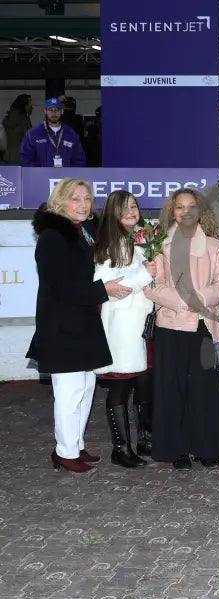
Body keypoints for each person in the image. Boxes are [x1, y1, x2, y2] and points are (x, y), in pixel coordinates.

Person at [28, 179, 126, 473]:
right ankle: (65, 452)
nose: (83, 204)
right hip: (62, 328)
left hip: (83, 324)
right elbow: (62, 287)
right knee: (70, 393)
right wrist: (103, 290)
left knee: (85, 388)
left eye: (87, 199)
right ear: (60, 202)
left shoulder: (83, 231)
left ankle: (76, 445)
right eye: (75, 199)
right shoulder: (52, 237)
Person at [145, 188, 219, 470]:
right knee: (173, 390)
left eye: (191, 206)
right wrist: (184, 302)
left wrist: (202, 299)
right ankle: (177, 450)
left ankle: (207, 448)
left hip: (206, 326)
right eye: (179, 207)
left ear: (200, 211)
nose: (185, 212)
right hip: (171, 326)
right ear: (172, 212)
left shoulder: (216, 246)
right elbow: (152, 288)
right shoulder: (160, 246)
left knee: (205, 391)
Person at [92, 191, 155, 468]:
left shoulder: (144, 237)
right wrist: (147, 273)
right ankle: (121, 448)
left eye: (134, 205)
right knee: (121, 385)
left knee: (144, 383)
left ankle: (145, 439)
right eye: (124, 207)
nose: (131, 211)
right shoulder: (108, 243)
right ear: (113, 212)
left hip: (144, 322)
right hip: (122, 325)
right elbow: (112, 286)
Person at [19, 97, 86, 167]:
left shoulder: (71, 134)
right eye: (50, 110)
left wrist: (70, 176)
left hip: (65, 177)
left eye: (57, 110)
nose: (54, 113)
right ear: (45, 111)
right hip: (41, 177)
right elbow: (25, 159)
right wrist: (38, 174)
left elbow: (79, 160)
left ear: (62, 111)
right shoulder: (33, 133)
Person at [2, 93, 32, 162]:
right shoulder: (22, 118)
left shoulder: (10, 115)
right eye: (30, 102)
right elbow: (26, 137)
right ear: (24, 104)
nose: (31, 105)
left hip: (9, 155)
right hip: (20, 156)